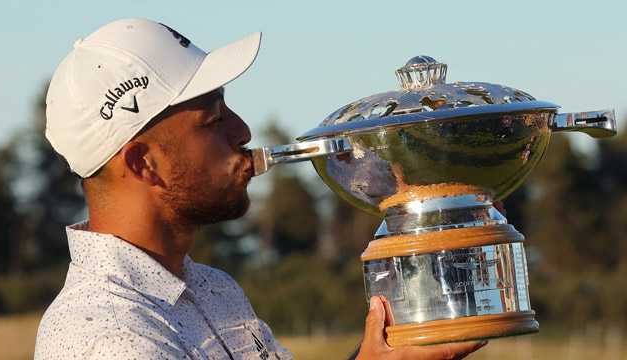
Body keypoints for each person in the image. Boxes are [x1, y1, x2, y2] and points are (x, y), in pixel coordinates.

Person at [34, 18, 487, 359]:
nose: (243, 131)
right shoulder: (109, 337)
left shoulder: (213, 287)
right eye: (213, 120)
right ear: (142, 163)